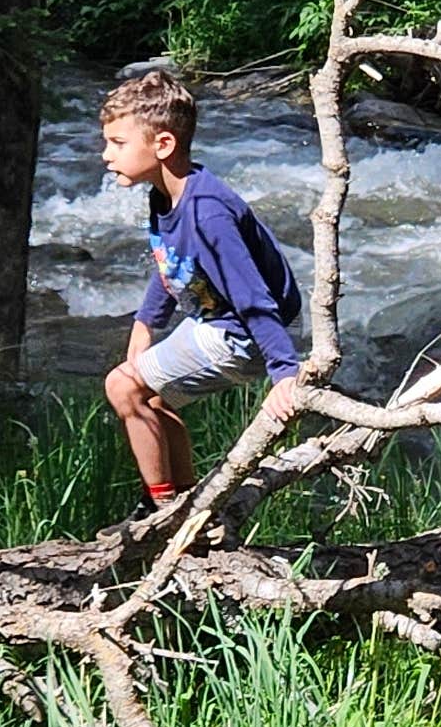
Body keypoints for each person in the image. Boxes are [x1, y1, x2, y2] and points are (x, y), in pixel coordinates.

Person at [98, 70, 304, 505]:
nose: (106, 155)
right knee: (150, 401)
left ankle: (160, 510)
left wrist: (285, 371)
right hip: (212, 321)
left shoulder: (209, 213)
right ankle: (188, 503)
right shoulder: (165, 192)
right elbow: (172, 263)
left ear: (163, 145)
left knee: (123, 387)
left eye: (118, 143)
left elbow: (253, 296)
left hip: (240, 335)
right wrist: (145, 322)